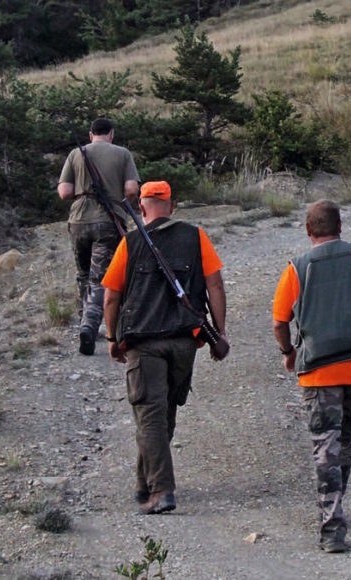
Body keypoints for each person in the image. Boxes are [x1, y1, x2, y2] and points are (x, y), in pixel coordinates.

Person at [272, 199, 351, 553]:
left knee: (325, 445)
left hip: (320, 372)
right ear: (340, 226)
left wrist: (288, 353)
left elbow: (279, 321)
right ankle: (337, 503)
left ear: (308, 230)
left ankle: (332, 527)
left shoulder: (297, 267)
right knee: (345, 437)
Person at [101, 181, 227, 515]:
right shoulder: (196, 236)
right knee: (163, 413)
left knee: (150, 416)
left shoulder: (130, 243)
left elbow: (111, 296)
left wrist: (112, 338)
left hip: (144, 345)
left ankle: (161, 491)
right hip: (185, 342)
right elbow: (215, 284)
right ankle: (144, 483)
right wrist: (220, 332)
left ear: (142, 208)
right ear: (171, 206)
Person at [57, 118, 140, 356]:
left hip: (78, 222)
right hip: (108, 221)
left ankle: (85, 319)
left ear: (91, 134)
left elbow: (64, 192)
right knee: (101, 277)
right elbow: (132, 189)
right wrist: (118, 199)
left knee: (83, 274)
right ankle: (89, 327)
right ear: (112, 134)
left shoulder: (76, 154)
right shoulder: (122, 154)